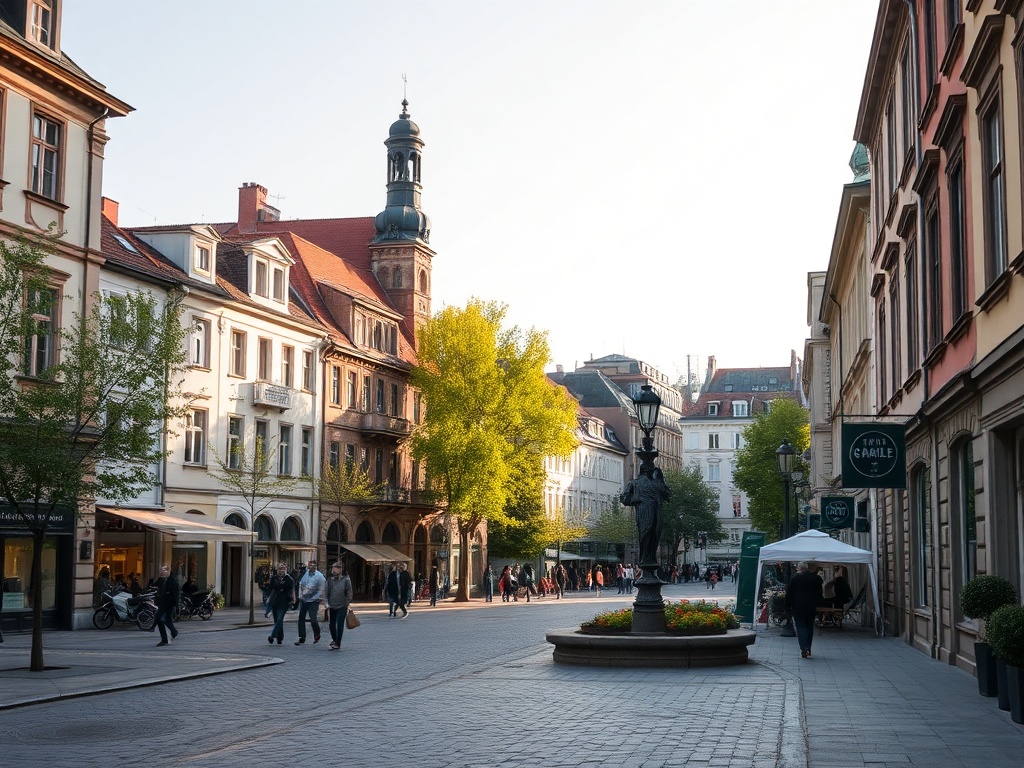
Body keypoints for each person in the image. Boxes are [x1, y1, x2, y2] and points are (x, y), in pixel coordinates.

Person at [786, 561, 824, 659]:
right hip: (811, 607)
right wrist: (819, 605)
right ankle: (808, 647)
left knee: (801, 626)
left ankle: (804, 648)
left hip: (798, 606)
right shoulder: (816, 579)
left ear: (800, 569)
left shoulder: (795, 579)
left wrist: (787, 607)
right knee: (809, 627)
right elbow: (819, 594)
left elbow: (789, 594)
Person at [295, 560, 326, 644]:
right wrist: (300, 596)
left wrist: (317, 598)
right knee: (301, 618)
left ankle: (317, 634)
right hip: (304, 600)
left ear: (316, 566)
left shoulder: (320, 576)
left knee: (313, 619)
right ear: (308, 566)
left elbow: (322, 589)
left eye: (314, 565)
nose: (312, 566)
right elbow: (301, 585)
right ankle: (302, 637)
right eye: (310, 565)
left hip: (314, 601)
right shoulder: (305, 574)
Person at [325, 562, 352, 650]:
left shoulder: (346, 579)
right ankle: (334, 639)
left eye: (339, 567)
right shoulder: (329, 578)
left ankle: (338, 643)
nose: (338, 569)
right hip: (332, 604)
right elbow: (326, 590)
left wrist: (347, 602)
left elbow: (349, 591)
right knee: (332, 624)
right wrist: (326, 602)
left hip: (342, 604)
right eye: (336, 567)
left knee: (339, 624)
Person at [154, 565, 179, 647]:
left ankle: (165, 638)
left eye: (164, 571)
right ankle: (173, 632)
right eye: (161, 571)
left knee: (160, 618)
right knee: (166, 619)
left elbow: (176, 594)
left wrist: (176, 605)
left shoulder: (173, 581)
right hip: (163, 603)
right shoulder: (163, 580)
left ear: (168, 571)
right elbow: (155, 585)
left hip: (168, 603)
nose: (162, 572)